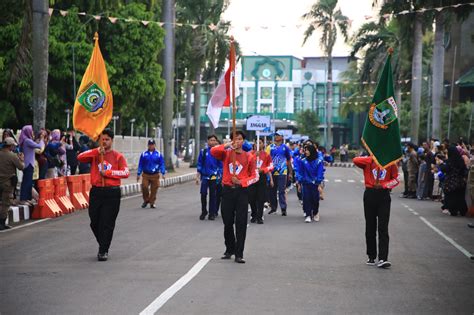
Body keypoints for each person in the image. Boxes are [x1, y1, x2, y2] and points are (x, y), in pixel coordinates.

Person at [77, 128, 129, 261]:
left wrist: (109, 173)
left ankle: (103, 250)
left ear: (112, 140)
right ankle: (103, 243)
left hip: (112, 192)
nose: (104, 142)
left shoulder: (118, 156)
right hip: (96, 192)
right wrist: (96, 151)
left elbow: (125, 173)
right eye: (102, 139)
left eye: (107, 139)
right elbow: (80, 157)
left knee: (107, 222)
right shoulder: (95, 155)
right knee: (94, 221)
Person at [210, 130, 258, 264]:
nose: (238, 141)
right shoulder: (226, 153)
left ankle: (239, 253)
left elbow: (255, 176)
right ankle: (229, 248)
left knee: (241, 222)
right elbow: (213, 151)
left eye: (240, 139)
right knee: (227, 221)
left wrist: (242, 182)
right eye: (235, 139)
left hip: (242, 192)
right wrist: (227, 145)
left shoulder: (249, 157)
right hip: (227, 191)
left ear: (244, 141)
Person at [353, 155, 399, 268]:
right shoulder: (368, 161)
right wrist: (373, 158)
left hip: (383, 195)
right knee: (370, 227)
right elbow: (355, 160)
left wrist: (384, 185)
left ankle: (383, 258)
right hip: (370, 194)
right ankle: (371, 256)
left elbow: (396, 179)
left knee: (383, 227)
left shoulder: (391, 162)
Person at [294, 145, 324, 223]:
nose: (306, 151)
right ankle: (308, 215)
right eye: (305, 150)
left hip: (315, 184)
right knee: (306, 199)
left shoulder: (319, 161)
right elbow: (300, 172)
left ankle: (315, 212)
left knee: (315, 199)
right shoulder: (303, 161)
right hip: (305, 183)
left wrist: (318, 182)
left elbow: (320, 173)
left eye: (307, 150)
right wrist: (300, 182)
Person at [196, 135, 222, 220]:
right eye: (211, 140)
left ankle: (212, 213)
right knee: (203, 194)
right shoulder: (203, 152)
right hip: (205, 177)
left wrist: (219, 174)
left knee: (213, 195)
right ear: (208, 141)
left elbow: (220, 165)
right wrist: (198, 176)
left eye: (214, 140)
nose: (213, 142)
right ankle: (204, 211)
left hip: (214, 177)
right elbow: (199, 164)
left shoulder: (218, 152)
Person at [0, 138, 24, 230]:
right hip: (7, 183)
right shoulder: (12, 156)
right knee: (6, 203)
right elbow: (21, 167)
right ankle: (2, 223)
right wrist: (21, 159)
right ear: (10, 146)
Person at [249, 138, 273, 224]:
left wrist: (263, 170)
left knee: (260, 198)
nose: (258, 144)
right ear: (254, 144)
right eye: (256, 143)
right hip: (251, 177)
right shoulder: (249, 154)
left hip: (261, 177)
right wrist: (255, 155)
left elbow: (271, 166)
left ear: (263, 144)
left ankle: (259, 217)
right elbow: (246, 164)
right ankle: (254, 214)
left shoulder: (266, 155)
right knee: (251, 198)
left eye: (260, 143)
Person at [438, 145, 468, 216]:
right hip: (460, 182)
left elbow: (445, 169)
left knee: (451, 196)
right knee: (460, 197)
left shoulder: (450, 161)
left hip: (451, 182)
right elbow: (464, 170)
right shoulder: (460, 160)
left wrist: (441, 164)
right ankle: (462, 210)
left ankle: (453, 210)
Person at [18, 125, 45, 205]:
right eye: (31, 131)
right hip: (29, 164)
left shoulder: (26, 140)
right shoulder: (27, 141)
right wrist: (42, 139)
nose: (32, 132)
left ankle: (27, 198)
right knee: (27, 182)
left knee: (28, 182)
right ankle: (23, 199)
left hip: (29, 163)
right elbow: (39, 146)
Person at [268, 131, 292, 216]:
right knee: (272, 191)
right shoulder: (270, 147)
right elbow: (267, 159)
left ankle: (283, 208)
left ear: (282, 137)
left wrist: (290, 172)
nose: (276, 137)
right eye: (275, 135)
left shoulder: (285, 147)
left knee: (281, 190)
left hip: (282, 171)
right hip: (272, 172)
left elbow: (288, 160)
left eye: (278, 135)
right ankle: (273, 208)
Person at [137, 139, 166, 209]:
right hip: (146, 174)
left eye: (152, 144)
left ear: (155, 145)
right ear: (148, 145)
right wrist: (138, 173)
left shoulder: (158, 154)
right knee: (144, 186)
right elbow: (140, 164)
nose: (151, 146)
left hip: (155, 174)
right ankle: (146, 200)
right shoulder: (144, 154)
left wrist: (163, 173)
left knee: (154, 189)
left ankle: (152, 203)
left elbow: (162, 164)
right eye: (150, 145)